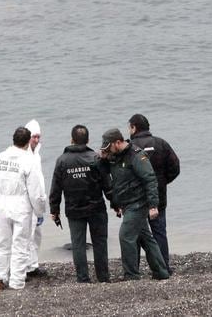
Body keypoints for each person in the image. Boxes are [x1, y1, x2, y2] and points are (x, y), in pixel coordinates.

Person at [99, 128, 169, 281]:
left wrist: (153, 205)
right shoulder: (115, 156)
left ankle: (131, 275)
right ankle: (161, 272)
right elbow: (104, 171)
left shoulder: (136, 155)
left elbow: (150, 179)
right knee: (145, 239)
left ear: (117, 142)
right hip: (126, 203)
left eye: (108, 147)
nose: (108, 150)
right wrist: (102, 158)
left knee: (126, 236)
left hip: (138, 203)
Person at [0, 127, 46, 291]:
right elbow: (35, 192)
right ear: (28, 142)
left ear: (13, 140)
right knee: (20, 245)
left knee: (2, 243)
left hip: (1, 204)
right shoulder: (29, 161)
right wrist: (40, 211)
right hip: (21, 206)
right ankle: (17, 282)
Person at [49, 125, 111, 283]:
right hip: (96, 207)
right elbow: (107, 184)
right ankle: (103, 277)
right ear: (88, 140)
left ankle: (83, 278)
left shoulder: (62, 161)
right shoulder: (95, 158)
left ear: (71, 140)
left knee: (78, 244)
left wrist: (54, 209)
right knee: (100, 242)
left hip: (74, 209)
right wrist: (116, 203)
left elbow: (56, 188)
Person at [129, 114, 180, 273]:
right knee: (159, 233)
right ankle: (163, 266)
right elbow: (175, 167)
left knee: (135, 234)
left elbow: (123, 173)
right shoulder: (161, 144)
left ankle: (134, 269)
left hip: (135, 198)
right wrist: (162, 182)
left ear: (134, 128)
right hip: (158, 196)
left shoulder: (130, 147)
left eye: (129, 127)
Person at [25, 119, 47, 279]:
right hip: (26, 203)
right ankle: (24, 268)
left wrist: (41, 205)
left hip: (37, 201)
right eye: (34, 137)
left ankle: (33, 265)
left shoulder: (36, 154)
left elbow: (39, 180)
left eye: (38, 136)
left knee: (36, 235)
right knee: (26, 236)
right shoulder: (22, 155)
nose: (37, 140)